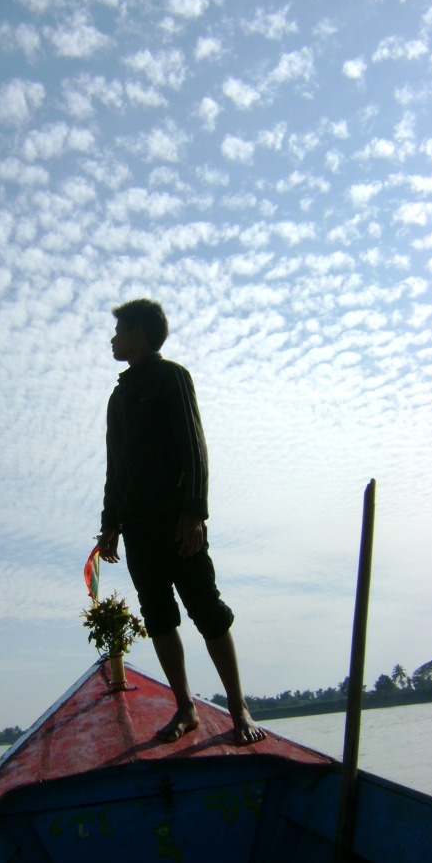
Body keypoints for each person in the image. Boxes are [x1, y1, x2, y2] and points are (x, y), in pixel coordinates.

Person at [98, 299, 265, 745]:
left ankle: (237, 706)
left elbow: (194, 447)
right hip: (137, 528)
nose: (113, 339)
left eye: (120, 330)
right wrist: (109, 524)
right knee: (158, 617)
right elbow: (117, 467)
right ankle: (186, 708)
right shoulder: (119, 397)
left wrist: (194, 513)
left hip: (177, 522)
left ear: (139, 334)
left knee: (207, 609)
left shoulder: (171, 377)